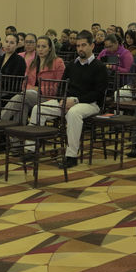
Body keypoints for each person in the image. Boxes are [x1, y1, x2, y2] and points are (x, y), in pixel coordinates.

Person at [30, 30, 108, 168]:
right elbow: (62, 86)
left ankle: (71, 156)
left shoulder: (100, 67)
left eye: (83, 45)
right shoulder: (72, 64)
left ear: (92, 46)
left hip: (90, 104)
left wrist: (76, 101)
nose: (80, 48)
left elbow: (98, 93)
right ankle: (31, 149)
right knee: (38, 108)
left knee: (73, 113)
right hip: (68, 101)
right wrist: (62, 99)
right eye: (78, 46)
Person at [1, 35, 65, 124]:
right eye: (38, 46)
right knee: (23, 103)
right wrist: (32, 89)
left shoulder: (58, 62)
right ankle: (18, 131)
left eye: (44, 47)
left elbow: (60, 86)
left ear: (50, 48)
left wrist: (39, 89)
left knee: (21, 97)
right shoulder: (33, 63)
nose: (40, 49)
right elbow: (24, 83)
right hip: (31, 95)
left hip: (49, 98)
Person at [0, 33, 27, 118]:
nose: (8, 45)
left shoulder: (19, 61)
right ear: (3, 43)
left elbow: (12, 80)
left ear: (17, 45)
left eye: (12, 43)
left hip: (10, 92)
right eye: (6, 42)